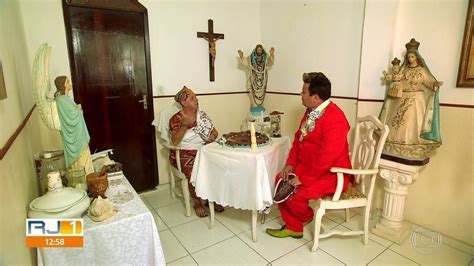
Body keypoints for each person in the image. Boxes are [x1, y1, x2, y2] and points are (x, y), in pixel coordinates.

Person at [266, 72, 352, 238]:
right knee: (280, 181)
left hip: (331, 173)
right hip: (307, 167)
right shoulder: (311, 111)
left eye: (304, 92)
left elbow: (326, 158)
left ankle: (304, 217)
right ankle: (295, 227)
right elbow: (299, 139)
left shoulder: (336, 118)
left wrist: (303, 178)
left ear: (316, 97)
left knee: (294, 193)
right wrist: (290, 164)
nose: (301, 95)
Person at [379, 38, 443, 160]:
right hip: (402, 98)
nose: (410, 59)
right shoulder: (405, 70)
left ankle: (412, 147)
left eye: (412, 57)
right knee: (398, 121)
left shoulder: (422, 71)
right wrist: (391, 78)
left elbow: (429, 81)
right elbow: (397, 78)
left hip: (416, 100)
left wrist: (435, 84)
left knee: (412, 122)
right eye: (409, 57)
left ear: (417, 57)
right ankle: (395, 146)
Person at [169, 86, 224, 217]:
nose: (197, 100)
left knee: (218, 166)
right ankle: (197, 202)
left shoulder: (202, 114)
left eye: (195, 97)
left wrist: (212, 136)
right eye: (192, 98)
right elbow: (175, 142)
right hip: (184, 153)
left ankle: (212, 198)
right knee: (194, 170)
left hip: (203, 149)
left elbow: (214, 131)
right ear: (184, 103)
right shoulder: (177, 118)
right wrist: (184, 125)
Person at [54, 76, 94, 175]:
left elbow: (72, 111)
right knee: (81, 160)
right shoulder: (61, 100)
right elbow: (69, 117)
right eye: (68, 81)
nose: (70, 83)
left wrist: (77, 109)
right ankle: (83, 180)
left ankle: (88, 178)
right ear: (63, 85)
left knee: (84, 158)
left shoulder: (65, 98)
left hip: (77, 133)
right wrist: (78, 109)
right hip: (74, 135)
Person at [238, 44, 275, 111]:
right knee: (252, 90)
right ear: (256, 50)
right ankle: (255, 106)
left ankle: (261, 105)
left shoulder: (266, 57)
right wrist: (241, 56)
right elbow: (246, 62)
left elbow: (270, 63)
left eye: (260, 50)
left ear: (262, 50)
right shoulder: (251, 57)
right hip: (254, 78)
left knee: (261, 93)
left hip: (262, 80)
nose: (259, 51)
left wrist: (272, 54)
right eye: (258, 50)